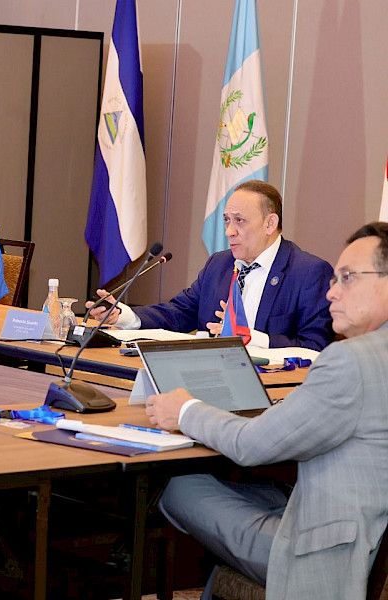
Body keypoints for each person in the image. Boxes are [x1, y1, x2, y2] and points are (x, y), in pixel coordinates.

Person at [146, 222, 388, 600]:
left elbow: (250, 445)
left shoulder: (349, 360)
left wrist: (185, 410)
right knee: (248, 488)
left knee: (178, 485)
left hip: (327, 556)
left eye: (347, 278)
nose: (331, 292)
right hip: (360, 523)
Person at [86, 180, 334, 351]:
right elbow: (179, 313)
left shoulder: (308, 272)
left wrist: (252, 338)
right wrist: (123, 315)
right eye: (226, 220)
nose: (229, 231)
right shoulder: (220, 264)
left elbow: (315, 346)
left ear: (270, 224)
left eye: (240, 221)